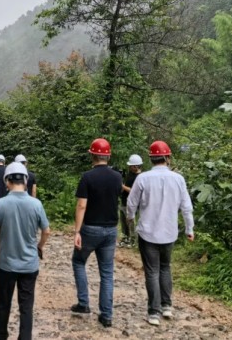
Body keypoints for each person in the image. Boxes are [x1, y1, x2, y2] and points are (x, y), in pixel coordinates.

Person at [127, 141, 194, 327]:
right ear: (168, 157)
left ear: (150, 158)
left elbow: (132, 203)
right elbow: (186, 207)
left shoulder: (143, 178)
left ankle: (154, 312)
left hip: (148, 233)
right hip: (169, 232)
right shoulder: (178, 179)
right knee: (165, 267)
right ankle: (167, 306)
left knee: (152, 271)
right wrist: (190, 229)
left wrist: (130, 218)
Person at [0, 162, 51, 340]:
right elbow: (46, 231)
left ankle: (0, 334)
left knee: (3, 302)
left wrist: (0, 229)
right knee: (26, 306)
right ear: (26, 180)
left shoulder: (0, 204)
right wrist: (39, 246)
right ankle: (24, 336)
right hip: (29, 265)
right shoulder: (36, 204)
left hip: (6, 264)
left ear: (7, 181)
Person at [71, 138, 122, 328]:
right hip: (110, 230)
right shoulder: (117, 177)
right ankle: (106, 315)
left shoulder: (87, 177)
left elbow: (82, 205)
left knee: (78, 261)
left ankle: (84, 304)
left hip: (90, 229)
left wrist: (77, 231)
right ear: (108, 155)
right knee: (107, 272)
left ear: (92, 155)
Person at [119, 154, 143, 248]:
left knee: (131, 223)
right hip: (124, 201)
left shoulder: (140, 177)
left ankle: (133, 241)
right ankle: (125, 239)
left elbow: (133, 190)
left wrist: (122, 186)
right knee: (124, 223)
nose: (129, 167)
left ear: (136, 166)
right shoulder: (130, 174)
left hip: (132, 204)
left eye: (131, 166)